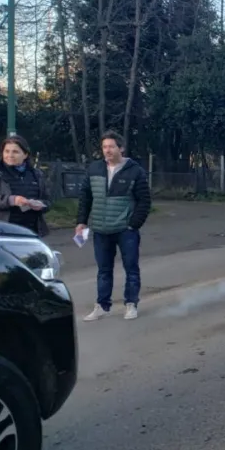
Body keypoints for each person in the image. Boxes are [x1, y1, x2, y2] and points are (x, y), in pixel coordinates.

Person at [77, 131, 152, 321]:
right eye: (104, 147)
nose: (107, 150)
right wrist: (81, 222)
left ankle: (131, 304)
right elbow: (85, 197)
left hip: (125, 230)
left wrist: (133, 224)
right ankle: (102, 305)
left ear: (121, 148)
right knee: (103, 270)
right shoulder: (94, 169)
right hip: (101, 230)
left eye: (111, 146)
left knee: (131, 268)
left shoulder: (135, 171)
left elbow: (144, 201)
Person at [0, 135, 51, 236]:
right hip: (3, 232)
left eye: (15, 152)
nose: (10, 155)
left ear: (25, 154)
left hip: (31, 231)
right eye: (7, 151)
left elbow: (48, 201)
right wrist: (12, 200)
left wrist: (40, 205)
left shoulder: (36, 174)